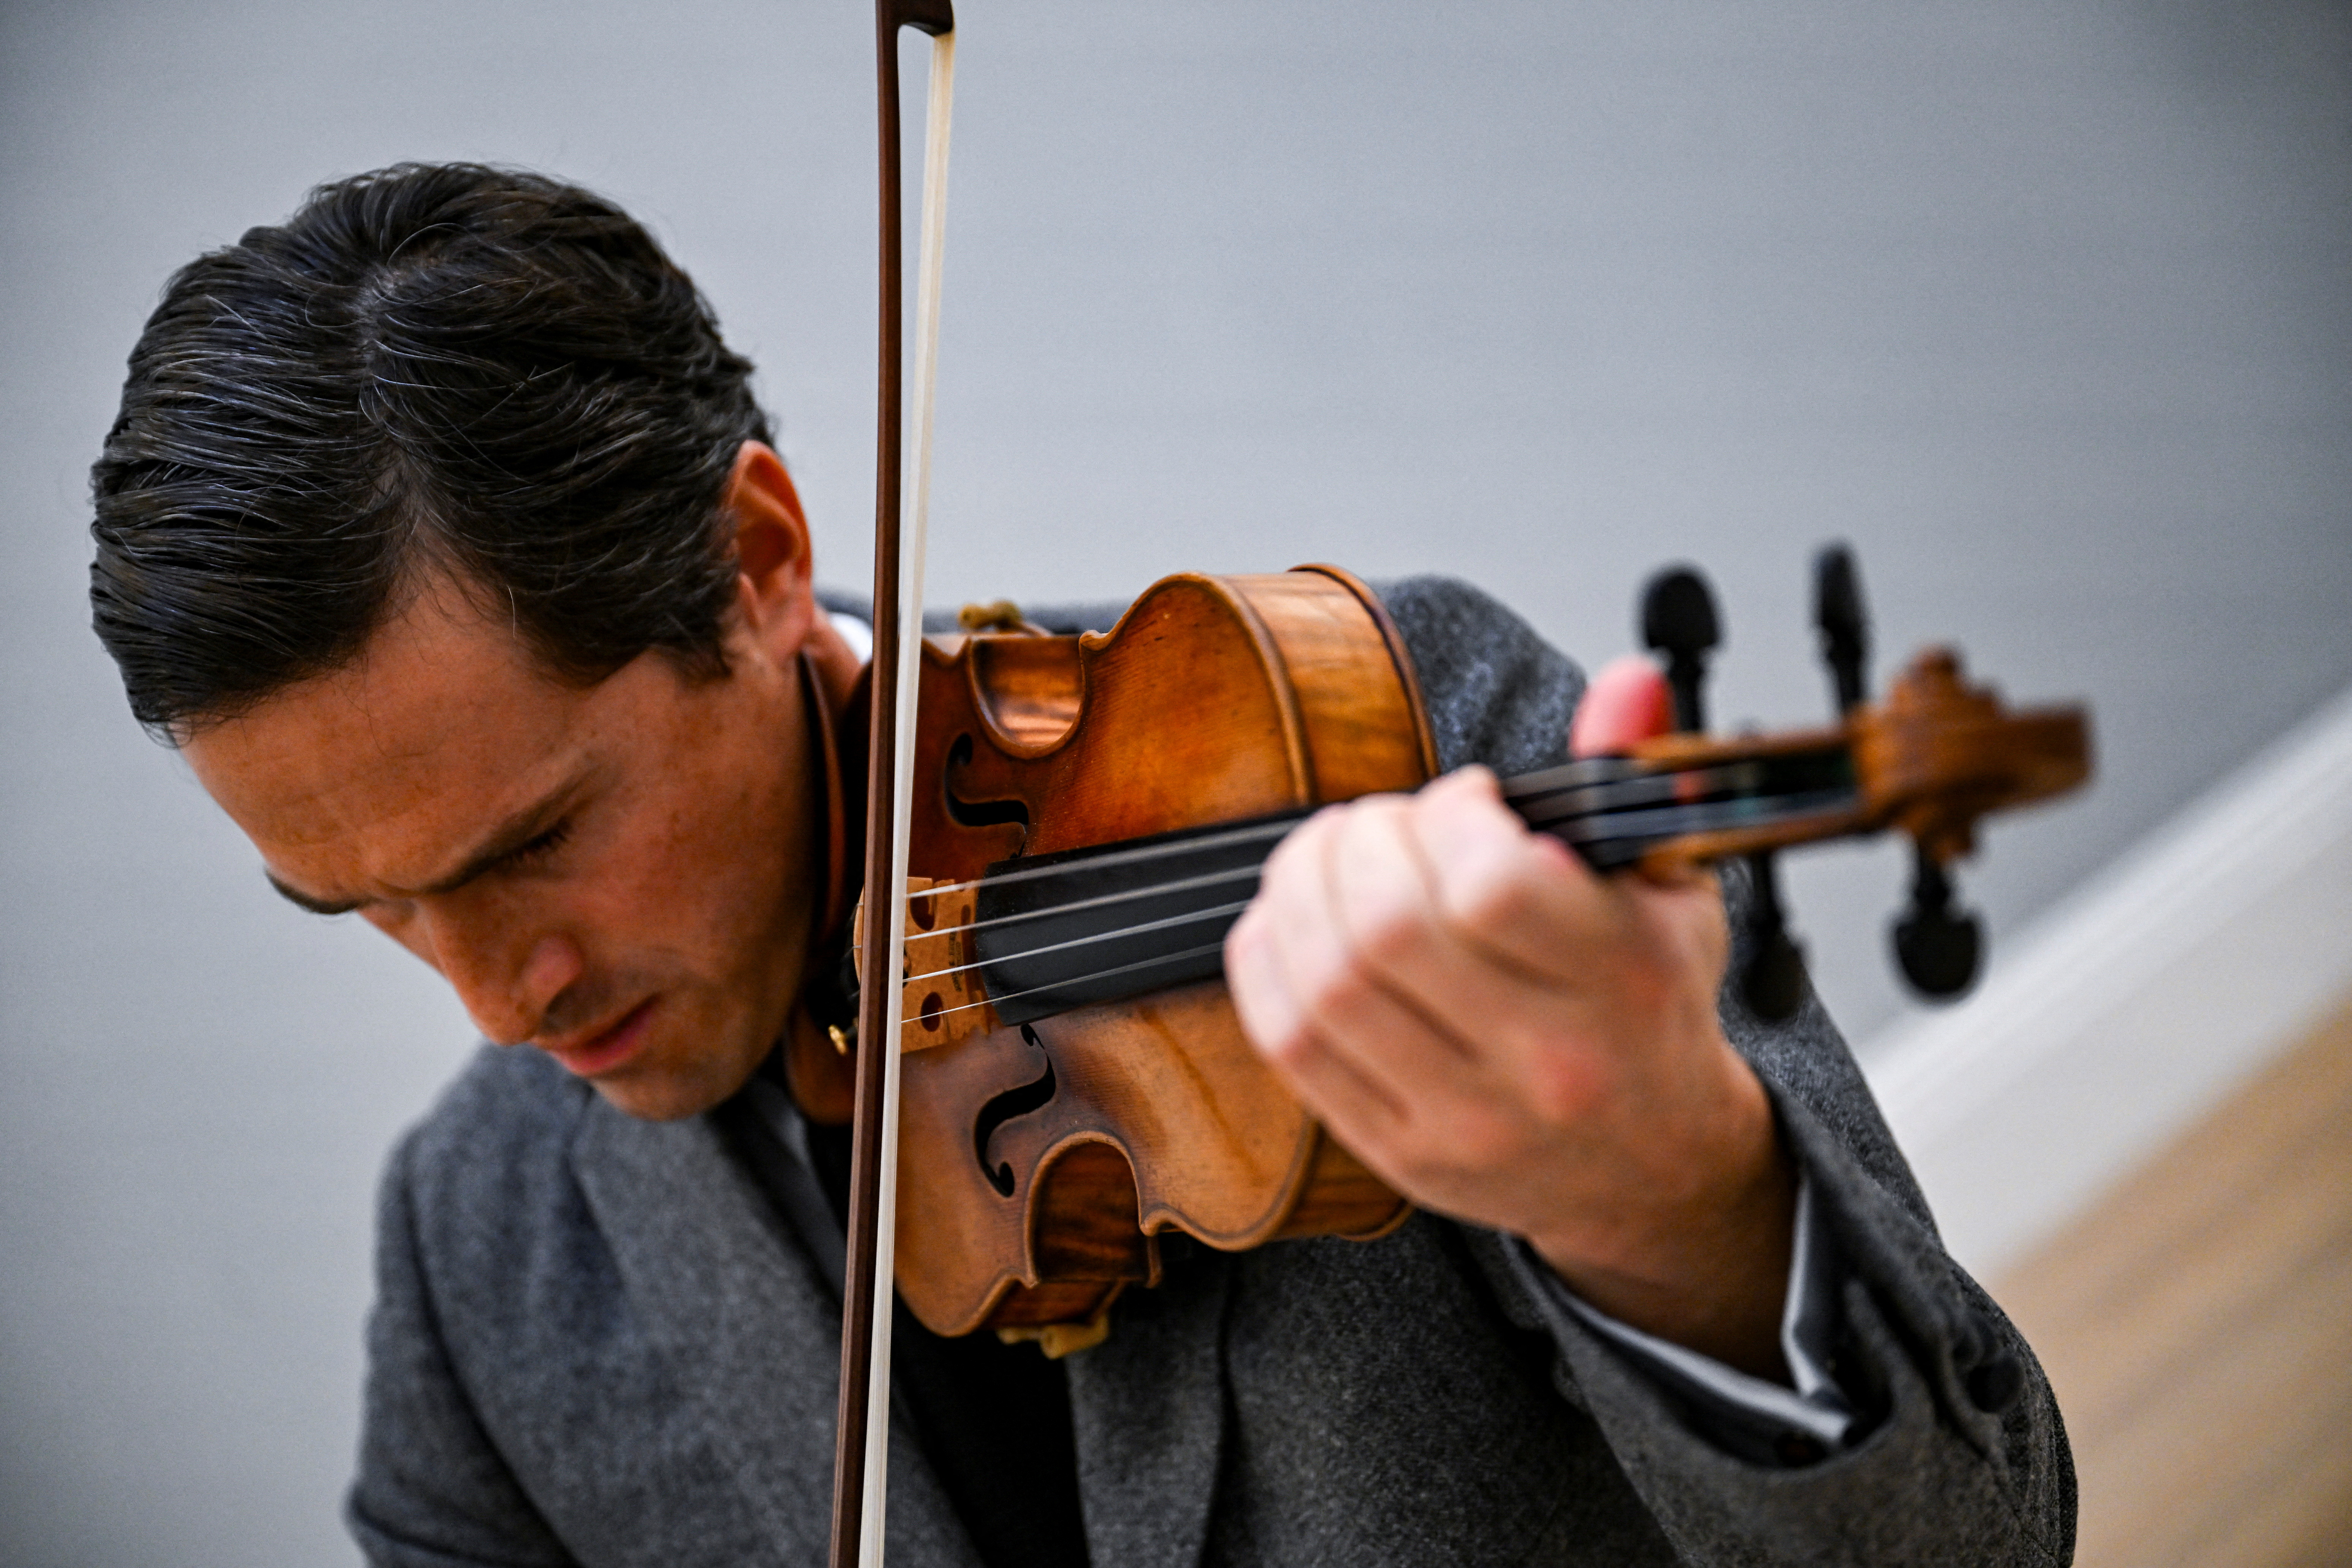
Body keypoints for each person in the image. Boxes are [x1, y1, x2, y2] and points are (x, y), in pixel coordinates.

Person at [89, 163, 2073, 1566]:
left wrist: (1670, 1204)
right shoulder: (477, 1254)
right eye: (369, 912)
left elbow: (1980, 1548)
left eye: (536, 840)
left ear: (755, 558)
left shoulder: (1371, 749)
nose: (490, 998)